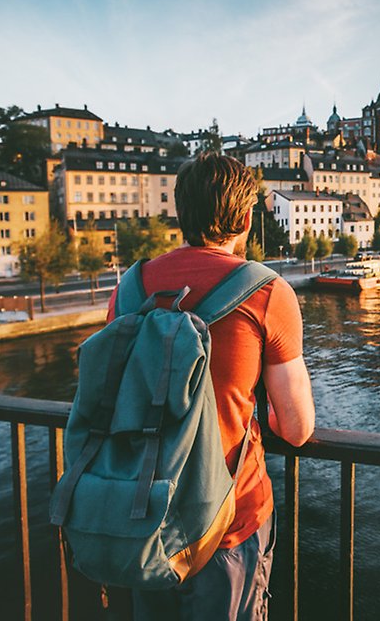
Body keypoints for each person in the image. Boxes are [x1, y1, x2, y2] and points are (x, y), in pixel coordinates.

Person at [107, 152, 315, 620]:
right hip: (227, 523)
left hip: (143, 515)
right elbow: (298, 428)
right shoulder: (266, 292)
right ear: (245, 217)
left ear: (180, 212)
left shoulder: (130, 288)